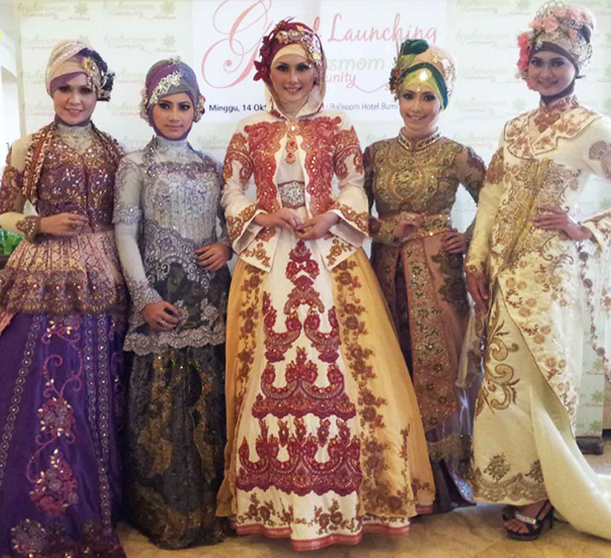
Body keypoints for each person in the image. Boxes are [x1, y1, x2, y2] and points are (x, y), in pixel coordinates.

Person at [217, 19, 435, 551]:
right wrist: (263, 216)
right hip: (268, 259)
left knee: (350, 371)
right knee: (266, 369)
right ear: (267, 72)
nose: (293, 78)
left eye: (302, 67)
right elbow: (231, 191)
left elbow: (356, 185)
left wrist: (332, 216)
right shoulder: (248, 129)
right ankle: (275, 502)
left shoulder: (338, 124)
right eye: (283, 68)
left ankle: (356, 500)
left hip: (329, 255)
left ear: (318, 72)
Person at [465, 2, 611, 541]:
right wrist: (476, 259)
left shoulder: (591, 126)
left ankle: (543, 491)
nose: (546, 72)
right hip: (503, 273)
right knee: (503, 380)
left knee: (538, 382)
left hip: (550, 280)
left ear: (577, 66)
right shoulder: (516, 127)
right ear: (526, 67)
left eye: (558, 62)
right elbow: (491, 197)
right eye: (539, 61)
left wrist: (584, 228)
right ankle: (520, 479)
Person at [0, 41, 127, 557]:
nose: (75, 99)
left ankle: (97, 503)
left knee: (97, 386)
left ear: (99, 94)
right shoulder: (27, 148)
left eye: (85, 90)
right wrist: (41, 224)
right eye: (64, 89)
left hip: (101, 277)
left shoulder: (115, 150)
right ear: (50, 90)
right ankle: (38, 501)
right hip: (42, 276)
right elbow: (4, 213)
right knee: (39, 384)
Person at [113, 57, 231, 549]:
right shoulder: (135, 164)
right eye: (165, 105)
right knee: (160, 408)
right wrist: (143, 297)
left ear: (198, 109)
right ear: (149, 108)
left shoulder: (211, 165)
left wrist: (226, 246)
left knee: (209, 403)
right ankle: (163, 510)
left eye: (184, 106)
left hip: (208, 300)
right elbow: (125, 232)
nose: (176, 115)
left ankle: (212, 507)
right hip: (160, 299)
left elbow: (230, 225)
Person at [364, 39, 486, 513]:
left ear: (443, 101)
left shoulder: (457, 154)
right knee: (391, 363)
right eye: (409, 96)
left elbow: (495, 204)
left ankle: (445, 475)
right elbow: (352, 214)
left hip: (438, 275)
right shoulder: (374, 154)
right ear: (397, 96)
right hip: (386, 272)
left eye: (428, 97)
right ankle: (399, 472)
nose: (417, 107)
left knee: (442, 367)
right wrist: (386, 229)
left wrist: (468, 238)